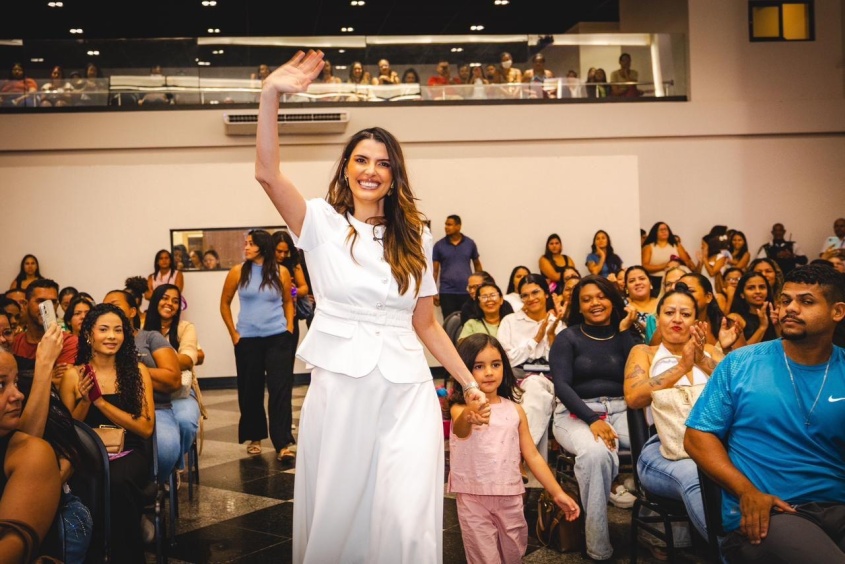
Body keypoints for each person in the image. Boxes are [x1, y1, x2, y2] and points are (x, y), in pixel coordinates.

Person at [254, 49, 488, 564]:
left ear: (394, 175)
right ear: (346, 168)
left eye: (383, 163)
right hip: (343, 384)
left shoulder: (418, 237)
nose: (371, 170)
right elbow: (268, 174)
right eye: (361, 159)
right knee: (341, 510)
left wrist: (467, 384)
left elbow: (425, 323)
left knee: (407, 515)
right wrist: (270, 95)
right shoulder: (319, 222)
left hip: (407, 387)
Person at [685, 264, 845, 563]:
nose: (790, 309)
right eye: (785, 301)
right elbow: (696, 436)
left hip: (837, 506)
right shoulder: (741, 364)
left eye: (806, 302)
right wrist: (746, 491)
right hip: (770, 512)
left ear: (837, 312)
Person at [449, 334, 579, 564]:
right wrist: (469, 416)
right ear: (464, 371)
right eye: (479, 366)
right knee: (484, 558)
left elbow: (532, 455)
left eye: (495, 364)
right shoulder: (460, 409)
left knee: (513, 553)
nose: (489, 372)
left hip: (510, 496)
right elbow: (460, 430)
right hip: (473, 496)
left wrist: (558, 493)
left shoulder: (515, 410)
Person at [624, 288, 738, 546]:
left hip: (717, 444)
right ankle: (730, 551)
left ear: (697, 322)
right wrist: (682, 366)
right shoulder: (645, 352)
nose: (677, 319)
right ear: (658, 317)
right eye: (669, 312)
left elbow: (737, 390)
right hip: (664, 449)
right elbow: (634, 397)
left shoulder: (710, 351)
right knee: (696, 475)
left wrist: (700, 361)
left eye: (685, 314)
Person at [549, 275, 638, 561]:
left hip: (624, 410)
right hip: (576, 412)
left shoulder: (627, 334)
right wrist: (592, 419)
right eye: (586, 299)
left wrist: (624, 331)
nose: (595, 303)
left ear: (612, 299)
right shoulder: (568, 338)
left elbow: (635, 373)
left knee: (657, 446)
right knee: (596, 454)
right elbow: (562, 386)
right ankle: (598, 547)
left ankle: (656, 530)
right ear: (579, 306)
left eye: (600, 296)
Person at [59, 303, 155, 564]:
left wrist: (101, 402)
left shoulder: (137, 372)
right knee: (80, 481)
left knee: (116, 481)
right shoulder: (73, 374)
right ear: (89, 333)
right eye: (104, 329)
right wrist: (86, 400)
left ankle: (126, 556)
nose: (112, 336)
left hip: (130, 449)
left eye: (118, 330)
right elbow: (68, 429)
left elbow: (145, 428)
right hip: (86, 450)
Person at [220, 229, 296, 460]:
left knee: (280, 390)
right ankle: (254, 438)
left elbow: (288, 301)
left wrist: (289, 327)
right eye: (246, 243)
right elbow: (224, 303)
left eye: (251, 244)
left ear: (262, 246)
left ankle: (282, 442)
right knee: (250, 390)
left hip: (277, 338)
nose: (246, 247)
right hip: (248, 340)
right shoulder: (237, 272)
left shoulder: (280, 272)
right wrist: (234, 334)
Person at [0, 350, 62, 562]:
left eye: (15, 382)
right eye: (1, 386)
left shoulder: (33, 454)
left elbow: (12, 549)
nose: (18, 395)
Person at [143, 284, 201, 480]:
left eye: (175, 301)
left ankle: (174, 466)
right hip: (149, 392)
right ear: (155, 300)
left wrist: (156, 356)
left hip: (179, 392)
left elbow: (189, 357)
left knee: (185, 422)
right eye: (165, 298)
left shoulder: (185, 328)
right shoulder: (142, 326)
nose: (170, 304)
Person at [11, 279, 79, 387]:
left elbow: (62, 382)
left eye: (52, 302)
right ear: (25, 304)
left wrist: (21, 377)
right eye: (40, 301)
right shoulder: (14, 341)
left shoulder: (68, 341)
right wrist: (48, 375)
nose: (47, 308)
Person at [433, 214, 483, 319]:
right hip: (447, 292)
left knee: (468, 320)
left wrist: (482, 287)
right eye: (445, 224)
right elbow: (435, 271)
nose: (446, 227)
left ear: (458, 226)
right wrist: (433, 292)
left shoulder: (470, 244)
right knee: (449, 322)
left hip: (467, 291)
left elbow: (477, 265)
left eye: (449, 224)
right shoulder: (439, 245)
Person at [642, 221, 695, 297]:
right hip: (656, 280)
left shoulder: (676, 245)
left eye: (666, 229)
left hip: (676, 278)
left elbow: (687, 261)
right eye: (661, 230)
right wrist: (665, 266)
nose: (664, 231)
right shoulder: (649, 247)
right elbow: (645, 266)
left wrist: (677, 264)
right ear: (655, 232)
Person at [728, 269, 779, 345]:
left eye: (762, 287)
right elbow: (740, 353)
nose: (758, 291)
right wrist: (762, 327)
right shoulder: (735, 318)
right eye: (751, 288)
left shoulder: (775, 314)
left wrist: (777, 325)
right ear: (742, 294)